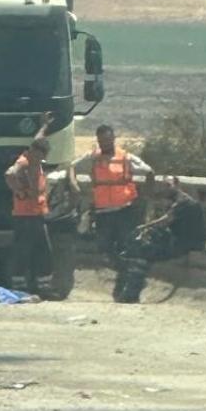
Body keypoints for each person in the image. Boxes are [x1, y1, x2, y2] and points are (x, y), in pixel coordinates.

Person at [71, 124, 153, 300]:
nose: (105, 144)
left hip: (125, 211)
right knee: (104, 248)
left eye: (108, 140)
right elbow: (71, 167)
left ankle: (127, 285)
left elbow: (148, 172)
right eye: (101, 141)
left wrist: (144, 198)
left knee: (126, 248)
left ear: (113, 139)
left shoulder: (126, 157)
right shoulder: (92, 158)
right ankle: (130, 274)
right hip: (103, 212)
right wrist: (75, 188)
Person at [115, 177, 206, 303]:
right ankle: (132, 289)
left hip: (186, 244)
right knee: (146, 245)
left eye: (168, 185)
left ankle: (132, 292)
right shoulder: (179, 201)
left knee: (144, 252)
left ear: (177, 185)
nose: (165, 189)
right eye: (164, 186)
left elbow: (165, 221)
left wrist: (144, 227)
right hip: (184, 241)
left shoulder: (183, 203)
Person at [4, 112, 55, 298]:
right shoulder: (25, 162)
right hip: (26, 216)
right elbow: (10, 174)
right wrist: (20, 190)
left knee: (41, 250)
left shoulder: (34, 155)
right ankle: (23, 286)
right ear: (35, 153)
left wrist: (44, 125)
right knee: (26, 251)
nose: (42, 159)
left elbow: (38, 140)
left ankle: (40, 285)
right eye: (41, 156)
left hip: (36, 214)